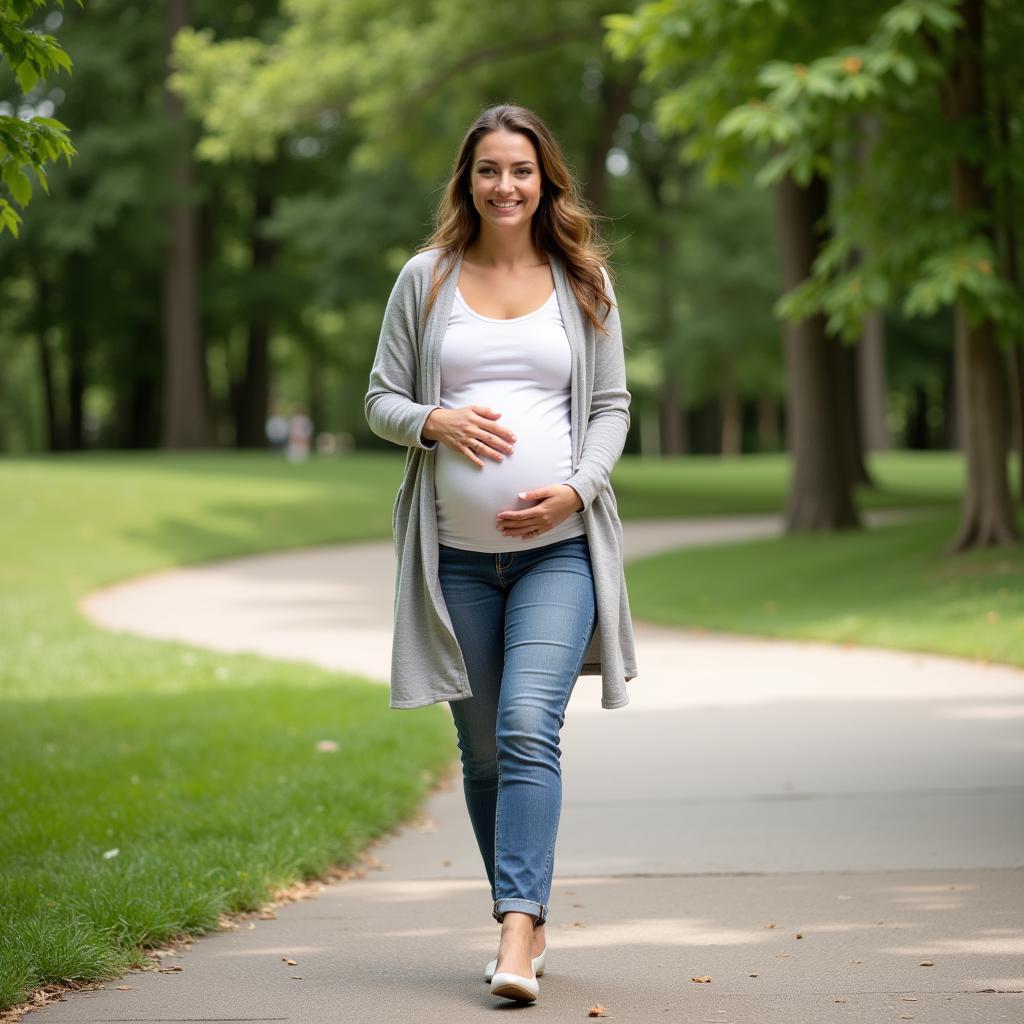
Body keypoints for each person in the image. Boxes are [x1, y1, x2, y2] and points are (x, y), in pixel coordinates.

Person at [364, 103, 638, 1003]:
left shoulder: (583, 280)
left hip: (559, 552)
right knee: (483, 754)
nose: (506, 185)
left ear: (546, 179)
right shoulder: (427, 278)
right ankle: (525, 910)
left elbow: (611, 408)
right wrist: (432, 419)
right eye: (489, 169)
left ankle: (516, 934)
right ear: (467, 181)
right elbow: (379, 400)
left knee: (528, 727)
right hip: (454, 562)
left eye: (522, 169)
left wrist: (577, 487)